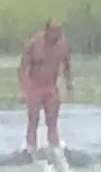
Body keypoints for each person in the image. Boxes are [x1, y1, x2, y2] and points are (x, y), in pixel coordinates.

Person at [19, 20, 73, 154]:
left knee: (52, 120)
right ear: (47, 31)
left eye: (59, 31)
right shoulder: (34, 44)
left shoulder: (62, 45)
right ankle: (30, 148)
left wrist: (69, 85)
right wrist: (24, 89)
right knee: (33, 120)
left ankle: (54, 148)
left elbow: (66, 65)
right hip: (35, 85)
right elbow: (23, 67)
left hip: (51, 86)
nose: (58, 35)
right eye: (55, 32)